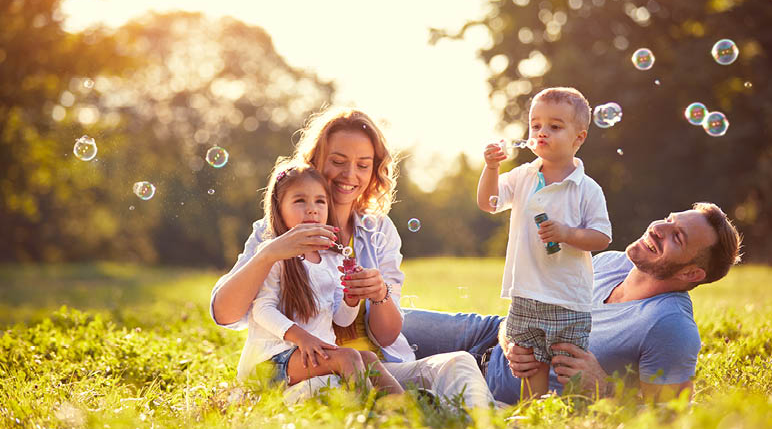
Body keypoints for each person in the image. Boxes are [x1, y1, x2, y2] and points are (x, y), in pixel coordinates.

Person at [210, 107, 494, 407]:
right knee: (335, 390)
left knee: (459, 363)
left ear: (374, 170)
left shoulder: (378, 230)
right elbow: (225, 313)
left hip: (377, 366)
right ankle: (404, 415)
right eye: (338, 161)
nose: (350, 175)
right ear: (315, 161)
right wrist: (267, 254)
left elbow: (384, 336)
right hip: (309, 370)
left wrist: (377, 294)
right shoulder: (275, 231)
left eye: (363, 165)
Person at [401, 202, 742, 404]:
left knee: (378, 375)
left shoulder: (670, 327)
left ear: (692, 273)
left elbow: (668, 421)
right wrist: (509, 335)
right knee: (379, 320)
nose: (657, 228)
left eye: (676, 236)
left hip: (497, 388)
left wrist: (604, 388)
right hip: (488, 333)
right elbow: (531, 306)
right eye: (668, 220)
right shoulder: (611, 263)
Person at [477, 87, 612, 398]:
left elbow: (602, 237)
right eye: (535, 125)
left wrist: (567, 234)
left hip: (568, 297)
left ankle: (577, 415)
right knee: (529, 364)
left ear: (579, 137)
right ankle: (534, 415)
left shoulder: (586, 189)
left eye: (554, 126)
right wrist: (492, 168)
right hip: (525, 292)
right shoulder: (523, 176)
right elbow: (489, 201)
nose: (541, 133)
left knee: (569, 366)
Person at [239, 164, 403, 394]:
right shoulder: (274, 253)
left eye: (320, 201)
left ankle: (404, 409)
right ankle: (369, 414)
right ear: (279, 208)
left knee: (367, 359)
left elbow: (342, 320)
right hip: (271, 361)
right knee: (347, 357)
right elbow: (262, 309)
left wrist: (350, 299)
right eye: (300, 201)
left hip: (313, 354)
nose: (312, 209)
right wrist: (303, 338)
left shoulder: (330, 259)